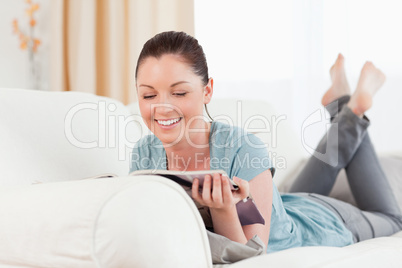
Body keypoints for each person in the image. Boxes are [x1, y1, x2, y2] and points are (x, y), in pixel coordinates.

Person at [130, 31, 402, 254]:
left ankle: (350, 109)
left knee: (393, 219)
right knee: (286, 201)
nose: (162, 108)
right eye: (148, 96)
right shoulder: (144, 154)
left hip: (321, 222)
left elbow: (252, 255)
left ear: (207, 91)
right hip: (286, 206)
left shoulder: (244, 148)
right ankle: (342, 102)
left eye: (178, 92)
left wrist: (224, 209)